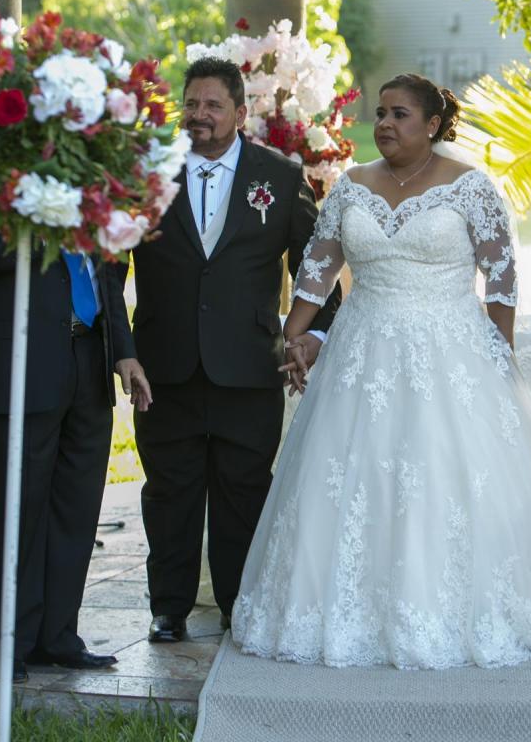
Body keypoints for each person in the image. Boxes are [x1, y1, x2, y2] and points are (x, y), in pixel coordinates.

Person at [231, 73, 531, 669]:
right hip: (361, 355)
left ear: (433, 124)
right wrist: (295, 335)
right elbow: (317, 271)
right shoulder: (351, 186)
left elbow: (501, 278)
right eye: (381, 113)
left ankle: (451, 607)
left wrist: (499, 353)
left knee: (441, 477)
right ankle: (345, 609)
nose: (384, 123)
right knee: (350, 480)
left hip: (451, 353)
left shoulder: (471, 187)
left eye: (399, 114)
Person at [131, 56, 341, 644]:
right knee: (168, 491)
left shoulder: (280, 176)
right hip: (164, 364)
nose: (198, 114)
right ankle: (168, 609)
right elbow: (109, 264)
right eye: (191, 104)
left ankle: (238, 605)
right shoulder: (147, 172)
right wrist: (123, 349)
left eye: (213, 105)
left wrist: (313, 334)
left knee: (243, 491)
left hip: (249, 365)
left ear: (241, 113)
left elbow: (315, 267)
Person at [0, 226, 151, 683]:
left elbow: (107, 272)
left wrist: (123, 350)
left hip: (88, 358)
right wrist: (37, 228)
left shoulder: (96, 190)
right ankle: (3, 643)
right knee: (15, 511)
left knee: (76, 509)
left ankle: (57, 637)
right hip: (17, 361)